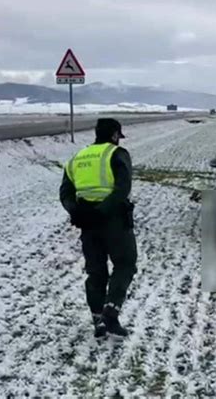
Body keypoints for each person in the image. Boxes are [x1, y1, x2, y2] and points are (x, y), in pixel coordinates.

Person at [59, 118, 137, 339]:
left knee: (96, 271)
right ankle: (110, 314)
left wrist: (76, 212)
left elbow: (65, 192)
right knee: (125, 264)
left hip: (87, 223)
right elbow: (122, 188)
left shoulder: (77, 158)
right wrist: (102, 211)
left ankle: (97, 320)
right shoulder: (117, 154)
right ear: (114, 135)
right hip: (114, 221)